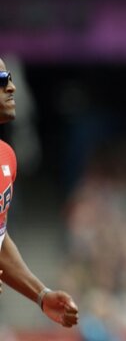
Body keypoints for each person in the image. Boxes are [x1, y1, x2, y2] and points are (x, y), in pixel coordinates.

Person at [0, 59, 79, 328]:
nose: (11, 88)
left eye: (10, 78)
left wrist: (41, 295)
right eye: (1, 80)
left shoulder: (7, 157)